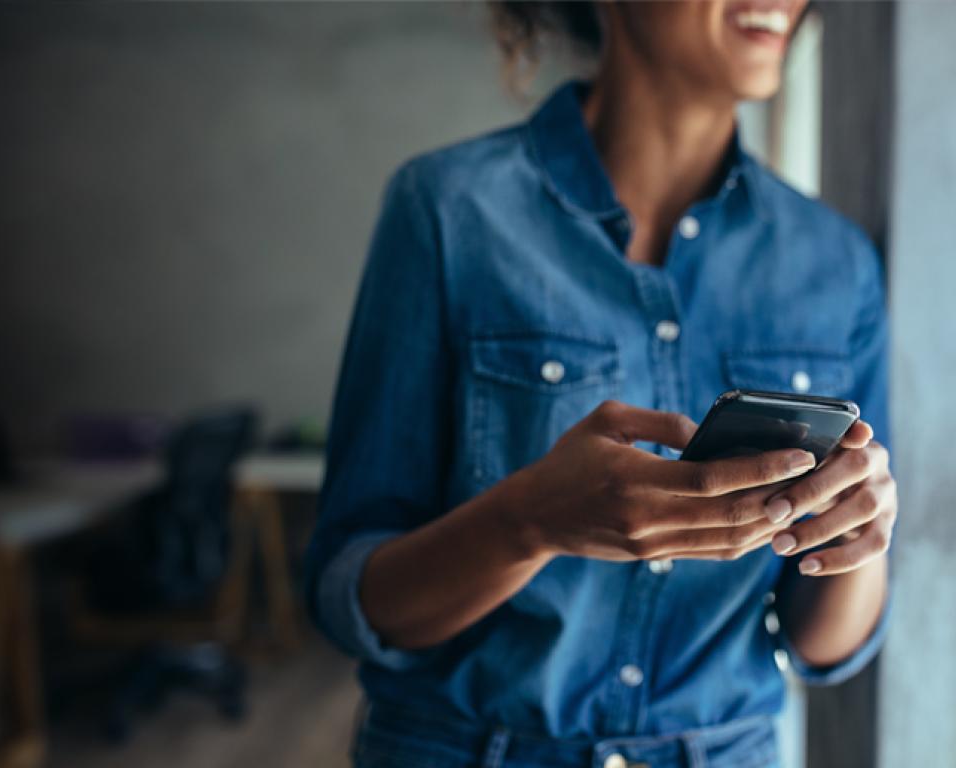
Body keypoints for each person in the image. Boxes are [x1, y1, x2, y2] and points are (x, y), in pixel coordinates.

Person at [305, 2, 897, 766]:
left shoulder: (836, 262)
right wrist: (528, 521)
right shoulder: (447, 212)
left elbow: (825, 647)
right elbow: (353, 598)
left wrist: (858, 534)